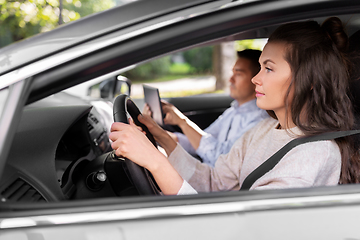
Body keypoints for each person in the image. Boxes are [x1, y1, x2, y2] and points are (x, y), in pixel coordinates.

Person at [109, 17, 360, 195]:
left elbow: (238, 231)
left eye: (269, 68)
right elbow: (214, 181)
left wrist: (156, 162)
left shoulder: (313, 154)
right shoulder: (263, 130)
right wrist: (160, 138)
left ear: (311, 80)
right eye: (260, 66)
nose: (255, 78)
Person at [143, 49, 268, 167]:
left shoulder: (260, 120)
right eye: (232, 72)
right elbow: (200, 142)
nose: (231, 79)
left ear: (257, 80)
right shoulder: (233, 111)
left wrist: (183, 122)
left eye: (238, 74)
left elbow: (221, 158)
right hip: (206, 173)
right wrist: (159, 134)